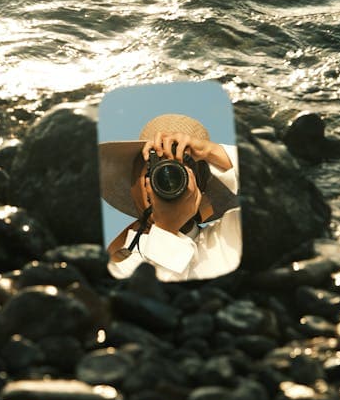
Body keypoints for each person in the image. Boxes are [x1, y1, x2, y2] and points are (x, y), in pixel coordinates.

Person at [99, 114, 242, 282]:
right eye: (155, 170)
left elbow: (277, 186)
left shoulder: (232, 236)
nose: (168, 180)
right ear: (134, 183)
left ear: (200, 186)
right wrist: (167, 230)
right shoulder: (112, 268)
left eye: (178, 172)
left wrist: (212, 152)